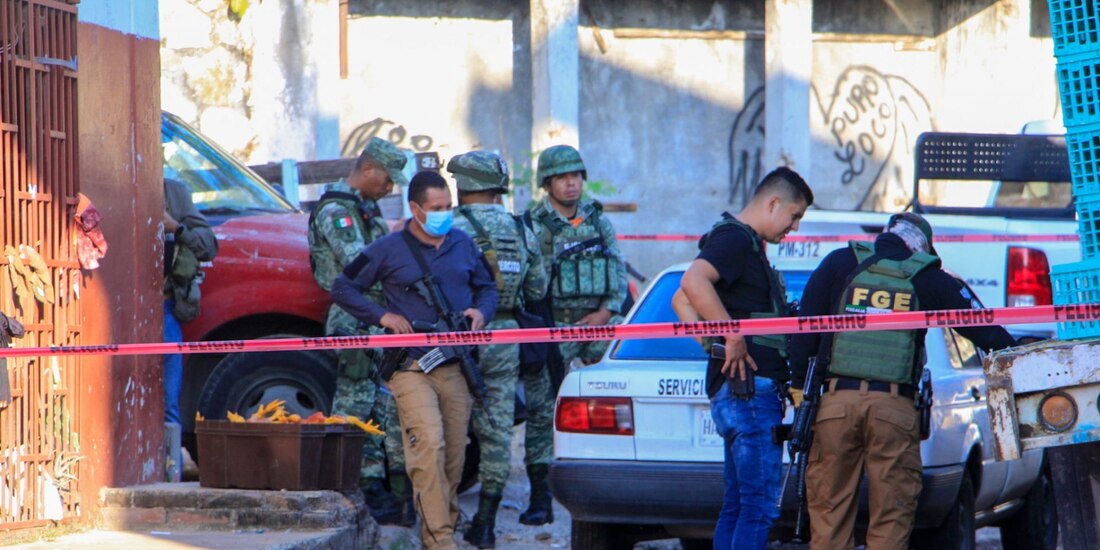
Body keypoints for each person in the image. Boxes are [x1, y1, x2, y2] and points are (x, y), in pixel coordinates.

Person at [789, 212, 1016, 550]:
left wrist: (796, 387)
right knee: (892, 512)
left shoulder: (839, 262)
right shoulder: (927, 276)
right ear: (921, 246)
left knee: (829, 512)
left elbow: (804, 328)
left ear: (886, 235)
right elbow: (982, 327)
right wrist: (1018, 348)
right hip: (893, 408)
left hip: (836, 405)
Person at [332, 171, 498, 550]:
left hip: (456, 364)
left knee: (455, 457)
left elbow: (487, 287)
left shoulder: (463, 243)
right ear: (415, 209)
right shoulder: (389, 248)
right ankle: (440, 541)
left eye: (448, 207)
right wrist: (383, 317)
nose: (444, 214)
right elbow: (343, 286)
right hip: (411, 367)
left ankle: (442, 530)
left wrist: (481, 312)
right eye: (436, 209)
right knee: (429, 446)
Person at [679, 166, 813, 550]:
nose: (795, 227)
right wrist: (730, 335)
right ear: (774, 203)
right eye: (794, 215)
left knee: (739, 506)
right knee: (758, 509)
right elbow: (692, 283)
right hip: (750, 397)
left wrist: (717, 340)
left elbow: (681, 301)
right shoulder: (736, 240)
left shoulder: (743, 242)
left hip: (742, 394)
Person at [307, 137, 412, 523]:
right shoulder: (338, 210)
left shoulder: (366, 207)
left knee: (377, 403)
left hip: (377, 314)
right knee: (352, 403)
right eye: (387, 179)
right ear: (368, 170)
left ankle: (372, 485)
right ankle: (346, 489)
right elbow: (359, 262)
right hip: (353, 315)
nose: (390, 187)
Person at [521, 144, 627, 525]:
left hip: (597, 322)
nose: (572, 183)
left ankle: (617, 485)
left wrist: (607, 310)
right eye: (564, 177)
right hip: (555, 326)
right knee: (541, 408)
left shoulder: (597, 219)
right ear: (547, 182)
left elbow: (616, 265)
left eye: (577, 175)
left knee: (621, 396)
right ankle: (539, 497)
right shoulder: (533, 223)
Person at [448, 151, 547, 548]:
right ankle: (486, 524)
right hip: (504, 334)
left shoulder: (447, 226)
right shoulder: (521, 229)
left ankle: (439, 516)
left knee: (445, 426)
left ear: (463, 184)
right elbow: (536, 290)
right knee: (498, 431)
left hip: (454, 336)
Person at [163, 178, 218, 479]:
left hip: (165, 307)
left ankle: (171, 477)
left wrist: (176, 228)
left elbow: (210, 246)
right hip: (124, 311)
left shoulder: (173, 192)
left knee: (168, 400)